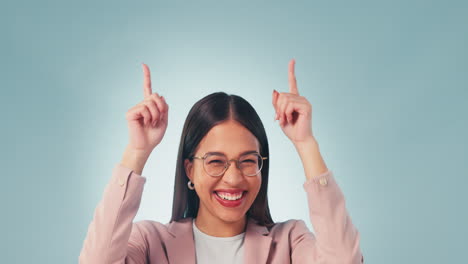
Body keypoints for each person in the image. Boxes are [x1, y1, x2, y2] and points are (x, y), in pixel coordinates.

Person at [79, 59, 364, 264]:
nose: (234, 178)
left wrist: (306, 144)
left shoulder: (289, 242)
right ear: (189, 168)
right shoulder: (152, 243)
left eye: (248, 161)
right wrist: (136, 152)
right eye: (216, 161)